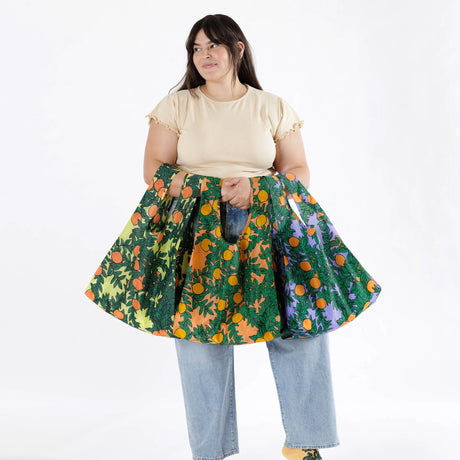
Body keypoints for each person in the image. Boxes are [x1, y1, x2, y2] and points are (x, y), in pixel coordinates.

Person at [143, 14, 339, 460]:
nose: (205, 55)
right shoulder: (178, 106)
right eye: (197, 48)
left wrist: (261, 188)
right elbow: (154, 168)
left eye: (214, 46)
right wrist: (207, 190)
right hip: (198, 230)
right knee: (201, 341)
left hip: (268, 223)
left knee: (300, 329)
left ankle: (304, 445)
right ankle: (209, 453)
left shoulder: (271, 106)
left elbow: (298, 171)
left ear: (238, 49)